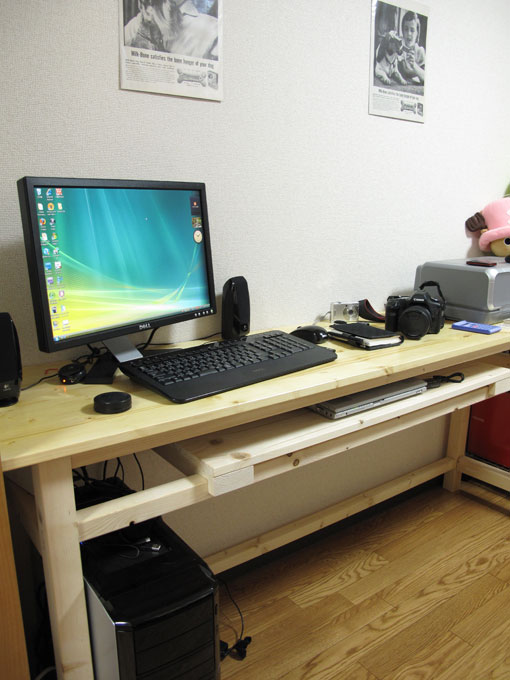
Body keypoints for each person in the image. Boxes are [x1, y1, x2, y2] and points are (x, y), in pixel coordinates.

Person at [400, 11, 425, 84]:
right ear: (402, 31)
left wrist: (414, 65)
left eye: (412, 30)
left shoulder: (420, 51)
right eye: (406, 29)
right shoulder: (398, 48)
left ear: (417, 33)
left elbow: (426, 79)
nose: (409, 33)